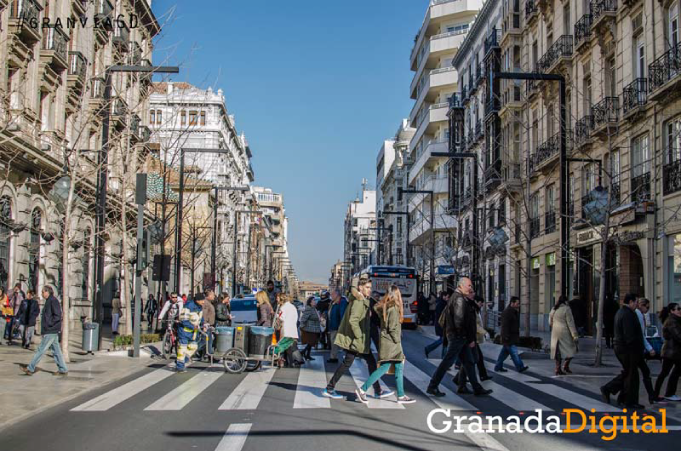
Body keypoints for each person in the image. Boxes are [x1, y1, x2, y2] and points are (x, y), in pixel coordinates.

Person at [323, 275, 391, 400]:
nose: (369, 290)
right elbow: (353, 321)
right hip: (357, 341)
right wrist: (360, 336)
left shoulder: (362, 300)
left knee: (367, 362)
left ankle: (377, 390)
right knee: (348, 364)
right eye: (367, 287)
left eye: (370, 287)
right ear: (360, 288)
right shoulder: (359, 301)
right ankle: (329, 388)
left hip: (359, 342)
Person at [427, 277, 492, 397]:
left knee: (469, 362)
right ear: (461, 286)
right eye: (469, 286)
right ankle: (432, 386)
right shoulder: (459, 299)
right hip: (458, 337)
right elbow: (459, 321)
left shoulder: (459, 298)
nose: (471, 288)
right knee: (447, 362)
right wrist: (469, 339)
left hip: (459, 337)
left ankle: (473, 387)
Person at [356, 285, 415, 404]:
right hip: (392, 343)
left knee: (396, 367)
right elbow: (392, 328)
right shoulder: (393, 308)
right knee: (386, 368)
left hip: (387, 342)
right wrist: (398, 342)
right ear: (396, 295)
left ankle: (401, 395)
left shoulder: (385, 307)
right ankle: (363, 389)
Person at [601, 293, 645, 409]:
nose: (637, 305)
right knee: (632, 375)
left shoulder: (623, 312)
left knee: (628, 373)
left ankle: (617, 394)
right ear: (630, 302)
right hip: (627, 349)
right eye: (636, 302)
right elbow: (629, 335)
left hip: (623, 348)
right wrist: (636, 348)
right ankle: (628, 400)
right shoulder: (627, 314)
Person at [20, 286, 68, 376]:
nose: (41, 294)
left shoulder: (53, 301)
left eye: (42, 292)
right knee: (56, 351)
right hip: (51, 330)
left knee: (41, 349)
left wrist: (49, 324)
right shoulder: (49, 301)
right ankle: (63, 369)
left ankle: (31, 368)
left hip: (51, 330)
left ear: (47, 292)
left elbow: (58, 315)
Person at [653, 303, 681, 401]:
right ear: (671, 311)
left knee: (673, 372)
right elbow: (678, 336)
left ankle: (668, 393)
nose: (680, 310)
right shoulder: (672, 321)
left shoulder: (675, 320)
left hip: (674, 352)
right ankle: (658, 394)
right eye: (678, 309)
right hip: (671, 352)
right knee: (665, 373)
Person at [494, 296, 529, 373]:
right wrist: (505, 336)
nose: (519, 305)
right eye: (517, 303)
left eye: (519, 304)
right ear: (512, 303)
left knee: (503, 354)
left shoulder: (514, 312)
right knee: (514, 353)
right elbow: (504, 326)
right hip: (509, 337)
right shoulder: (507, 312)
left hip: (511, 336)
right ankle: (520, 367)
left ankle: (498, 366)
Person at [550, 295, 579, 375]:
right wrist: (574, 334)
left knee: (557, 351)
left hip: (555, 332)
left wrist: (554, 326)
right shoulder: (567, 309)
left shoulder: (554, 309)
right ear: (566, 301)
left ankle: (557, 368)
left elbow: (550, 321)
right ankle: (566, 366)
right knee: (572, 349)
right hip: (565, 332)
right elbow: (570, 323)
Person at [635, 298, 657, 404]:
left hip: (637, 348)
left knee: (632, 373)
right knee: (644, 372)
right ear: (641, 305)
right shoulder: (638, 315)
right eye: (647, 307)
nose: (648, 310)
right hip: (637, 349)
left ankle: (652, 395)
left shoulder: (640, 314)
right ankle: (651, 396)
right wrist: (649, 348)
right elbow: (641, 335)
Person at [175, 294, 204, 372]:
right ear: (197, 300)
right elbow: (183, 320)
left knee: (193, 347)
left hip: (193, 333)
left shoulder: (200, 307)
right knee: (182, 349)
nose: (203, 302)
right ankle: (180, 367)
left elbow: (201, 318)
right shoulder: (188, 306)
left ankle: (181, 361)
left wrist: (203, 325)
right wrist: (192, 326)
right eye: (202, 300)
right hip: (184, 331)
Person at [424, 290, 451, 359]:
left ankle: (443, 356)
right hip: (441, 326)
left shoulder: (442, 303)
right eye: (447, 297)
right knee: (443, 340)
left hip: (441, 325)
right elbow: (441, 317)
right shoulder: (442, 304)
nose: (448, 298)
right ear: (443, 296)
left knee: (444, 341)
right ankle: (429, 349)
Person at [276, 294, 301, 366]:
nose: (276, 300)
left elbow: (282, 318)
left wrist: (277, 315)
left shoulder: (283, 308)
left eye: (277, 298)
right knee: (289, 346)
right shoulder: (292, 306)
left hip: (286, 329)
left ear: (281, 299)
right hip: (292, 328)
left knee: (285, 345)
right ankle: (290, 361)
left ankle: (290, 361)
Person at [327, 289, 348, 363]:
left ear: (337, 294)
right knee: (334, 343)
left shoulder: (342, 302)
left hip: (338, 327)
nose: (331, 296)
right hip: (333, 326)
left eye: (332, 294)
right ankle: (333, 357)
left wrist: (341, 327)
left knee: (342, 343)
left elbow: (342, 315)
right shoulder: (333, 302)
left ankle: (349, 357)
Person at [299, 296, 322, 361]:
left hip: (314, 329)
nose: (315, 302)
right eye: (313, 301)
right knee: (311, 342)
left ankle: (307, 355)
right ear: (310, 302)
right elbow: (303, 318)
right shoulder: (309, 309)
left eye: (315, 300)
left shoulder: (314, 308)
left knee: (311, 343)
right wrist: (301, 327)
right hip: (310, 329)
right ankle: (303, 352)